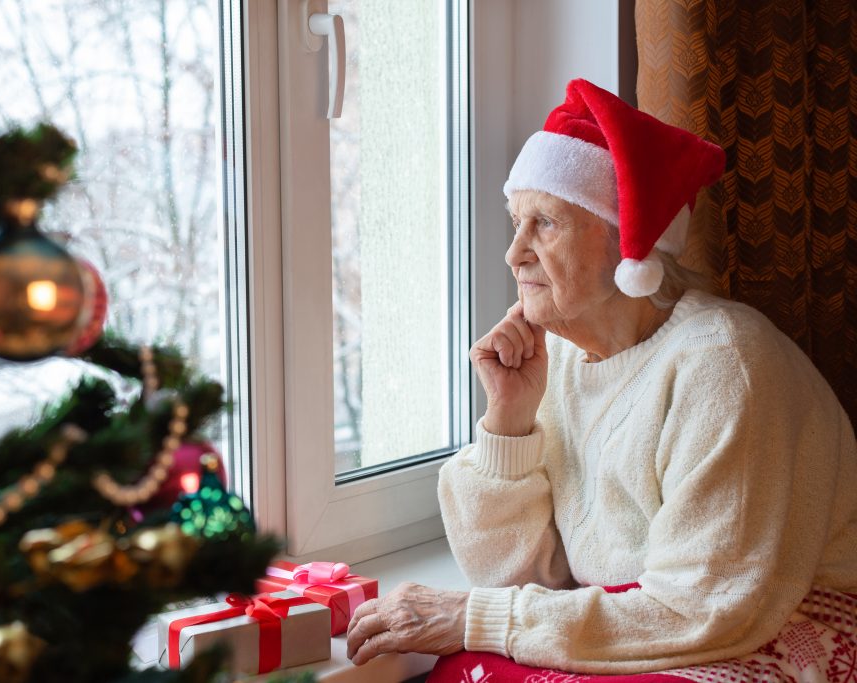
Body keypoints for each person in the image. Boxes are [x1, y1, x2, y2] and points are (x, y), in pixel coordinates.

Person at [345, 79, 857, 680]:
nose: (514, 253)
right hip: (651, 618)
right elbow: (521, 577)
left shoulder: (725, 366)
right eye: (516, 221)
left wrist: (477, 618)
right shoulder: (559, 359)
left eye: (545, 224)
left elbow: (707, 606)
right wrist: (508, 423)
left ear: (626, 244)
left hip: (771, 622)